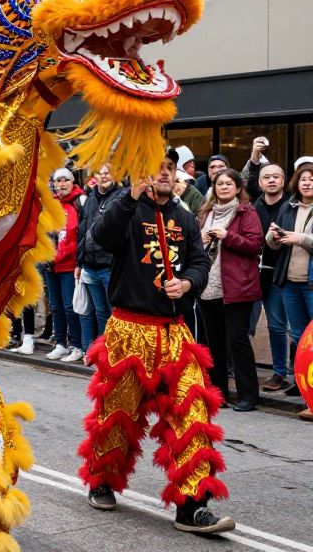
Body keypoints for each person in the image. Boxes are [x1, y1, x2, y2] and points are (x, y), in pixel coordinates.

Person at [79, 147, 235, 536]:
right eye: (157, 169)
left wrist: (187, 283)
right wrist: (130, 195)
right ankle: (102, 481)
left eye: (169, 169)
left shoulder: (183, 216)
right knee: (117, 414)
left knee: (192, 414)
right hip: (128, 330)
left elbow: (200, 263)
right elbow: (100, 238)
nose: (164, 175)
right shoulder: (126, 208)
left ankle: (192, 506)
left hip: (173, 332)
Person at [196, 170, 263, 411]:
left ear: (237, 188)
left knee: (237, 341)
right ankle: (219, 394)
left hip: (237, 287)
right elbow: (194, 247)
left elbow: (256, 244)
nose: (223, 187)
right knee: (214, 343)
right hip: (208, 286)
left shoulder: (246, 212)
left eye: (228, 183)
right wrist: (201, 239)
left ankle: (248, 396)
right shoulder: (206, 212)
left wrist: (228, 236)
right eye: (219, 184)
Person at [265, 158, 313, 411]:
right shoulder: (289, 206)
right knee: (298, 337)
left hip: (311, 284)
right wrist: (273, 236)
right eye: (304, 179)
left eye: (312, 179)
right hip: (289, 282)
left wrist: (301, 238)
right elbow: (272, 245)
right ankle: (304, 387)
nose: (307, 183)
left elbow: (303, 240)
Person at [248, 163, 291, 391]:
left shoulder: (291, 205)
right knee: (246, 326)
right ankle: (240, 370)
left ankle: (280, 373)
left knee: (277, 325)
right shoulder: (253, 207)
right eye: (267, 177)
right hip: (253, 274)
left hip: (280, 274)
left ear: (283, 180)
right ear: (260, 183)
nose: (272, 180)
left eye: (276, 176)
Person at [44, 168, 87, 363]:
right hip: (50, 264)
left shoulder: (80, 201)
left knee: (71, 306)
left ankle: (76, 345)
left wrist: (65, 254)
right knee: (56, 306)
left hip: (69, 265)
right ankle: (60, 343)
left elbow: (80, 234)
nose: (60, 184)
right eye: (56, 180)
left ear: (72, 182)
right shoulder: (50, 203)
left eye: (64, 180)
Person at [76, 163, 118, 341]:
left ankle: (116, 350)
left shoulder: (120, 198)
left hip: (109, 266)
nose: (104, 176)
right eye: (100, 173)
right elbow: (82, 231)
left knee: (115, 313)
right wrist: (79, 263)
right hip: (89, 266)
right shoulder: (90, 198)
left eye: (107, 172)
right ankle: (104, 350)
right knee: (100, 312)